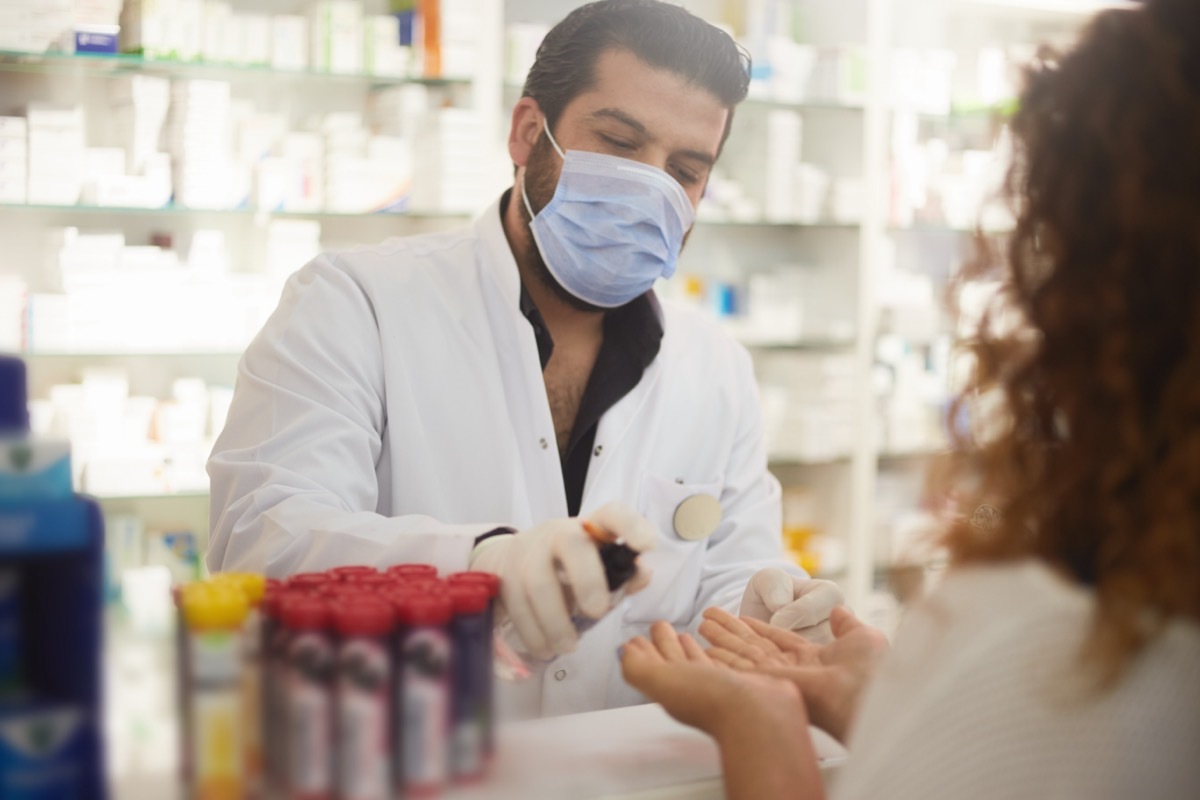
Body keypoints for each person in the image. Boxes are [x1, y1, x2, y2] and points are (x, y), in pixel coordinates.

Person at [620, 0, 1200, 796]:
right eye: (617, 145)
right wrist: (893, 709)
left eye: (688, 169)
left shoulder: (1058, 646)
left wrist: (760, 721)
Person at [206, 0, 842, 717]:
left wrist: (758, 605)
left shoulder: (715, 366)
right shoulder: (355, 302)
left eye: (685, 169)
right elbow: (262, 544)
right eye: (620, 143)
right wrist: (480, 565)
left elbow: (726, 573)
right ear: (528, 132)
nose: (651, 187)